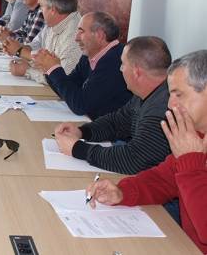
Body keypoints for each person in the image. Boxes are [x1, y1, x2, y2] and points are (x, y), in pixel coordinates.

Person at [86, 50, 207, 253]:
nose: (170, 104)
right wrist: (122, 192)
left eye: (179, 94)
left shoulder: (191, 143)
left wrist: (191, 164)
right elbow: (164, 180)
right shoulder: (196, 135)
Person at [54, 36, 172, 174]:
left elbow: (133, 160)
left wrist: (77, 149)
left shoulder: (163, 108)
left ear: (136, 72)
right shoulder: (149, 92)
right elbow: (117, 122)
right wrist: (82, 132)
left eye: (123, 64)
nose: (121, 69)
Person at [37, 11, 132, 119]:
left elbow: (80, 105)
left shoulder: (115, 61)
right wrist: (48, 69)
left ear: (99, 35)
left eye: (81, 31)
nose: (76, 38)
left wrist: (54, 69)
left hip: (113, 132)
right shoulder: (88, 56)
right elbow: (68, 91)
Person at [7, 0, 82, 84]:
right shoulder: (52, 25)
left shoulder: (75, 34)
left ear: (53, 10)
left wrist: (27, 71)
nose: (41, 11)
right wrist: (23, 54)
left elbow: (64, 78)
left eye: (42, 6)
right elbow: (38, 47)